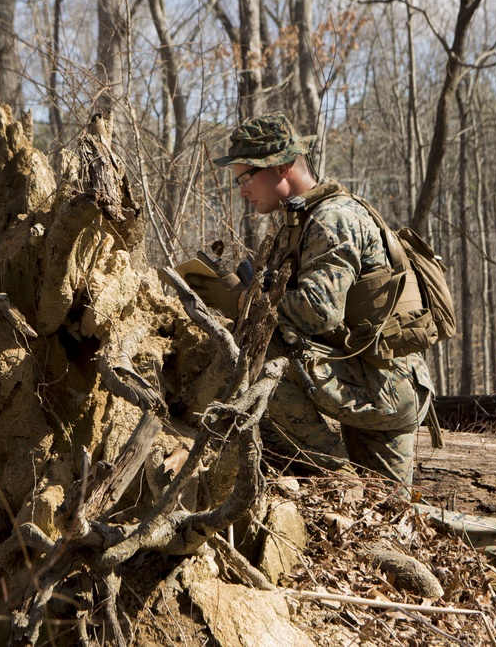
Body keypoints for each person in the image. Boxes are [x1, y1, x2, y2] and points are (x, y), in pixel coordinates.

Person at [184, 112, 435, 489]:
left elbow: (319, 312)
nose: (242, 191)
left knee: (258, 356)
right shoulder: (300, 220)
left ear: (283, 166)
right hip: (369, 378)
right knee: (391, 518)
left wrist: (244, 304)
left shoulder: (331, 219)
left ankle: (337, 477)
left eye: (247, 178)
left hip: (381, 386)